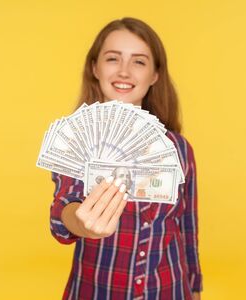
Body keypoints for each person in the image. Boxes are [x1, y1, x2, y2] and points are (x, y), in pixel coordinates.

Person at [49, 17, 202, 300]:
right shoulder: (75, 139)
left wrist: (194, 289)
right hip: (97, 292)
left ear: (155, 75)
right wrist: (82, 223)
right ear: (95, 67)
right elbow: (62, 213)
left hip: (169, 290)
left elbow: (187, 228)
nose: (124, 71)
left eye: (139, 62)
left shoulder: (180, 149)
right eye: (112, 59)